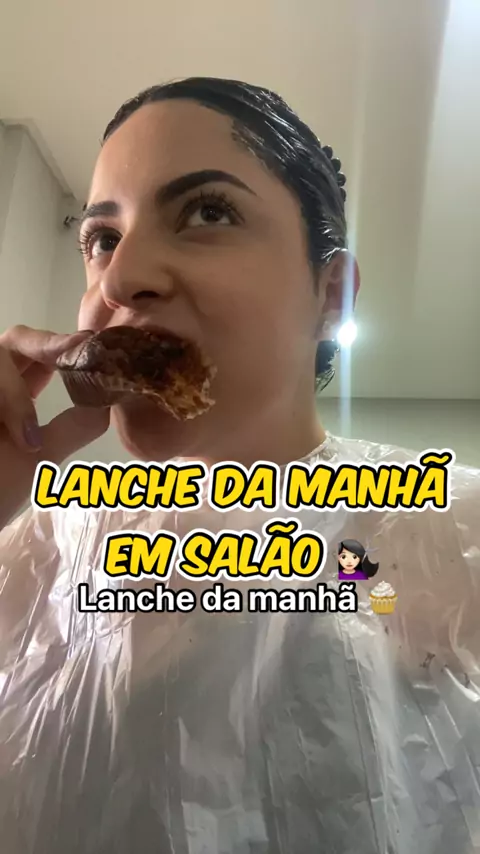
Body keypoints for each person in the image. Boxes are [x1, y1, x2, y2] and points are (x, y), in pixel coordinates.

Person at [0, 78, 478, 854]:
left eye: (208, 213)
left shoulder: (449, 528)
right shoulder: (35, 549)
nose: (118, 280)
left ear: (331, 295)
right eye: (102, 239)